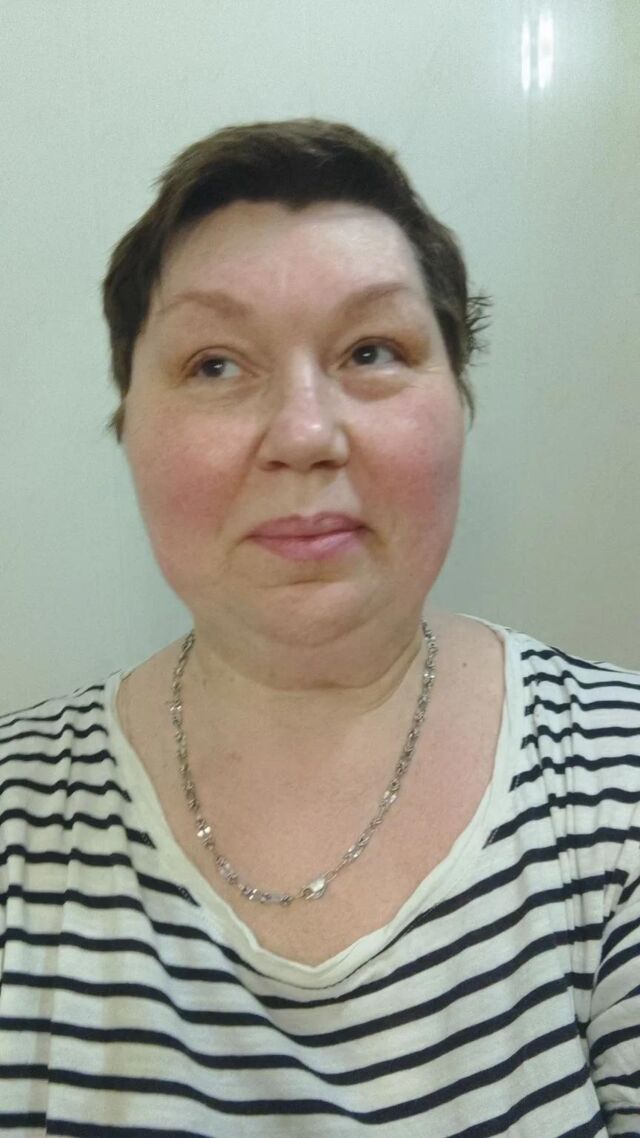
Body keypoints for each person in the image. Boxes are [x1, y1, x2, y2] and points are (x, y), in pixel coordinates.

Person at [1, 118, 638, 1138]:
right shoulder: (17, 817)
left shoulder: (622, 778)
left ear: (459, 402)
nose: (303, 435)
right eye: (215, 364)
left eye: (372, 350)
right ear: (129, 426)